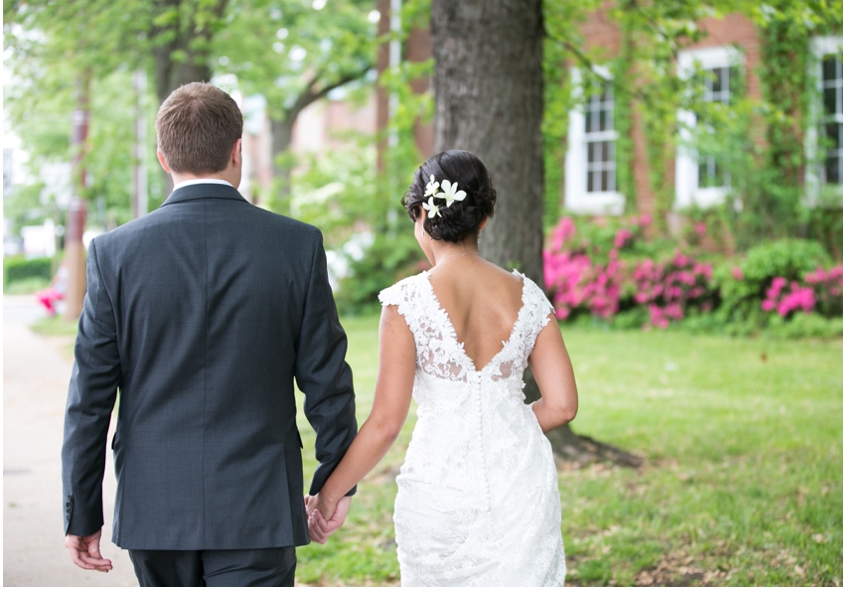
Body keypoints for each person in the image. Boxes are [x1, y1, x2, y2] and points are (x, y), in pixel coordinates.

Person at [61, 82, 358, 587]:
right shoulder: (296, 246)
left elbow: (89, 399)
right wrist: (335, 486)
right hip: (258, 502)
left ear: (162, 158)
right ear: (238, 151)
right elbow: (327, 380)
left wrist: (82, 510)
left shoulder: (114, 255)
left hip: (155, 504)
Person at [305, 150, 579, 586]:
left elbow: (385, 425)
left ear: (420, 215)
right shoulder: (529, 298)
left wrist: (327, 496)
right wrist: (503, 426)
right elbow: (563, 405)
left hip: (440, 489)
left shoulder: (405, 302)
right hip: (519, 486)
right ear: (483, 219)